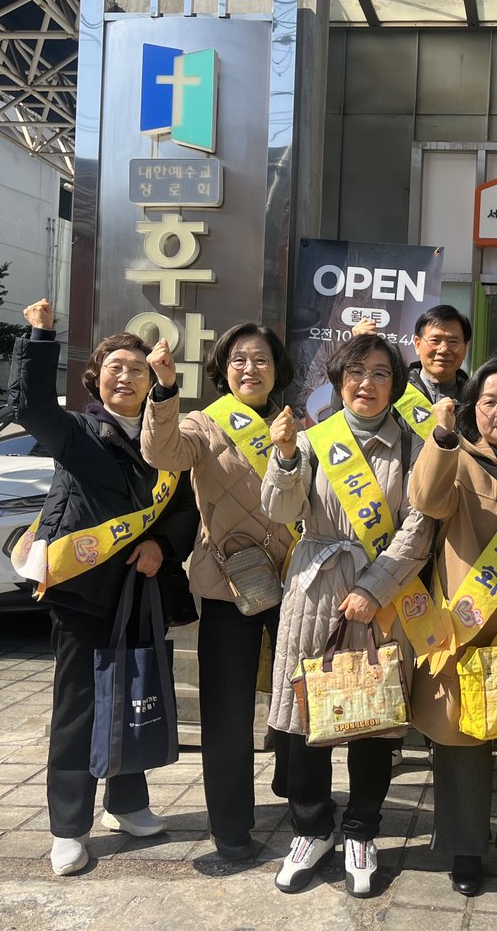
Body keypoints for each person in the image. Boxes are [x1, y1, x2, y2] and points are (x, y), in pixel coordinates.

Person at [9, 299, 198, 877]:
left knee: (132, 692)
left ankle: (128, 803)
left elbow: (184, 511)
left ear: (152, 380)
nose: (126, 376)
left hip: (140, 590)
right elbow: (30, 405)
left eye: (137, 369)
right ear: (96, 378)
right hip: (83, 592)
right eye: (116, 367)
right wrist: (40, 337)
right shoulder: (77, 432)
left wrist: (161, 545)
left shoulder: (166, 442)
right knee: (79, 707)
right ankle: (69, 827)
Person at [261, 333, 435, 898]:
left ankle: (361, 831)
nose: (367, 384)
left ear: (396, 384)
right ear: (338, 381)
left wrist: (374, 588)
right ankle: (311, 829)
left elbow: (419, 529)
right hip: (313, 594)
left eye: (381, 373)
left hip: (381, 599)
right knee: (306, 719)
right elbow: (281, 510)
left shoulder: (412, 446)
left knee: (373, 721)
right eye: (356, 372)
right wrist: (285, 458)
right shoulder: (314, 440)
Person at [139, 323, 297, 862]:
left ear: (277, 369)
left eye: (261, 359)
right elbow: (162, 452)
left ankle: (300, 796)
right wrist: (164, 389)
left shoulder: (296, 423)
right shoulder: (202, 423)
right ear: (223, 370)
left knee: (300, 696)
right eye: (239, 360)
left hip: (294, 581)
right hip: (230, 582)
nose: (250, 369)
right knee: (228, 711)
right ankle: (230, 825)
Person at [407, 358, 497, 897]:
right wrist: (442, 436)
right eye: (489, 401)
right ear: (474, 408)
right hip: (464, 624)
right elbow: (425, 500)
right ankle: (465, 846)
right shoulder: (458, 457)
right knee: (460, 738)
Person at [351, 304, 472, 436]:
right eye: (435, 340)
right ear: (417, 344)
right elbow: (348, 415)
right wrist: (358, 350)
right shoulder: (392, 388)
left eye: (453, 342)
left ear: (465, 348)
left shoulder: (475, 398)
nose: (443, 349)